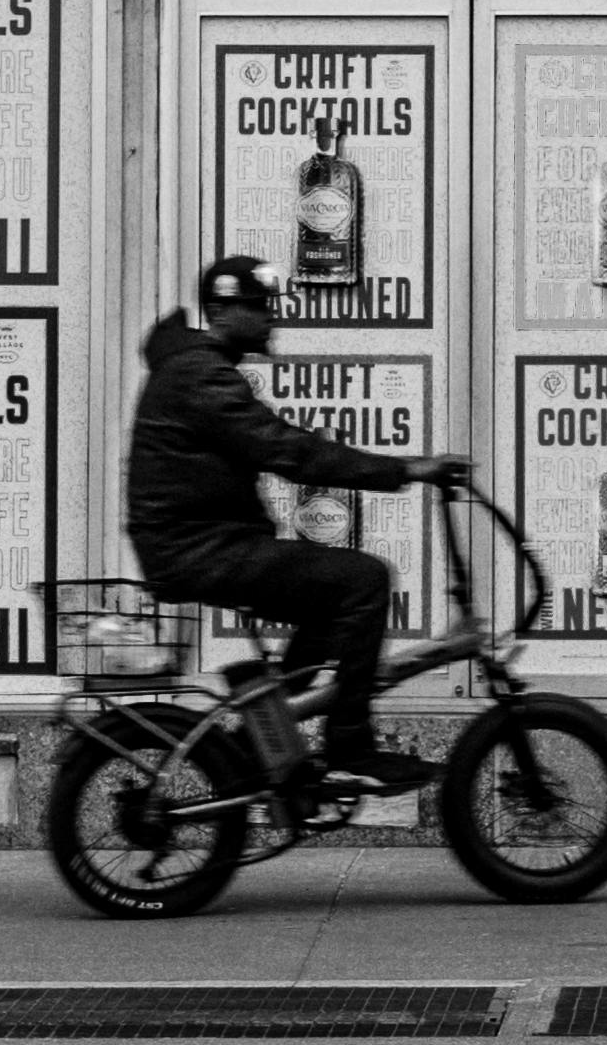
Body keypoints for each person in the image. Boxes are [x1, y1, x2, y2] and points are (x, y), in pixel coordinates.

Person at [125, 252, 471, 800]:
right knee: (363, 580)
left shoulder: (199, 369)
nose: (271, 318)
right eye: (259, 308)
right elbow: (287, 451)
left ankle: (270, 741)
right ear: (221, 311)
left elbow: (279, 448)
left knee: (329, 596)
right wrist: (408, 469)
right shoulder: (200, 375)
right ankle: (350, 747)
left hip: (203, 544)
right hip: (199, 550)